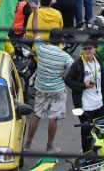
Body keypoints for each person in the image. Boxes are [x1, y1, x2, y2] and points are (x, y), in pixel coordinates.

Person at [24, 25, 73, 154]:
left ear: (49, 38)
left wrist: (35, 12)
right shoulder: (64, 56)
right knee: (53, 117)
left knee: (37, 115)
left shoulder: (41, 48)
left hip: (41, 88)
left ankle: (27, 145)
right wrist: (65, 76)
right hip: (57, 89)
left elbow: (35, 31)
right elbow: (75, 69)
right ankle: (49, 146)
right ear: (61, 40)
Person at [65, 39, 104, 153]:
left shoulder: (98, 61)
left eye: (90, 49)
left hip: (99, 103)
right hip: (85, 105)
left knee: (100, 129)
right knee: (87, 131)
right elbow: (68, 80)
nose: (87, 51)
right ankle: (87, 152)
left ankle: (98, 150)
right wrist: (83, 85)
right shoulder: (77, 64)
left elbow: (103, 79)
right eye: (85, 49)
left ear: (94, 50)